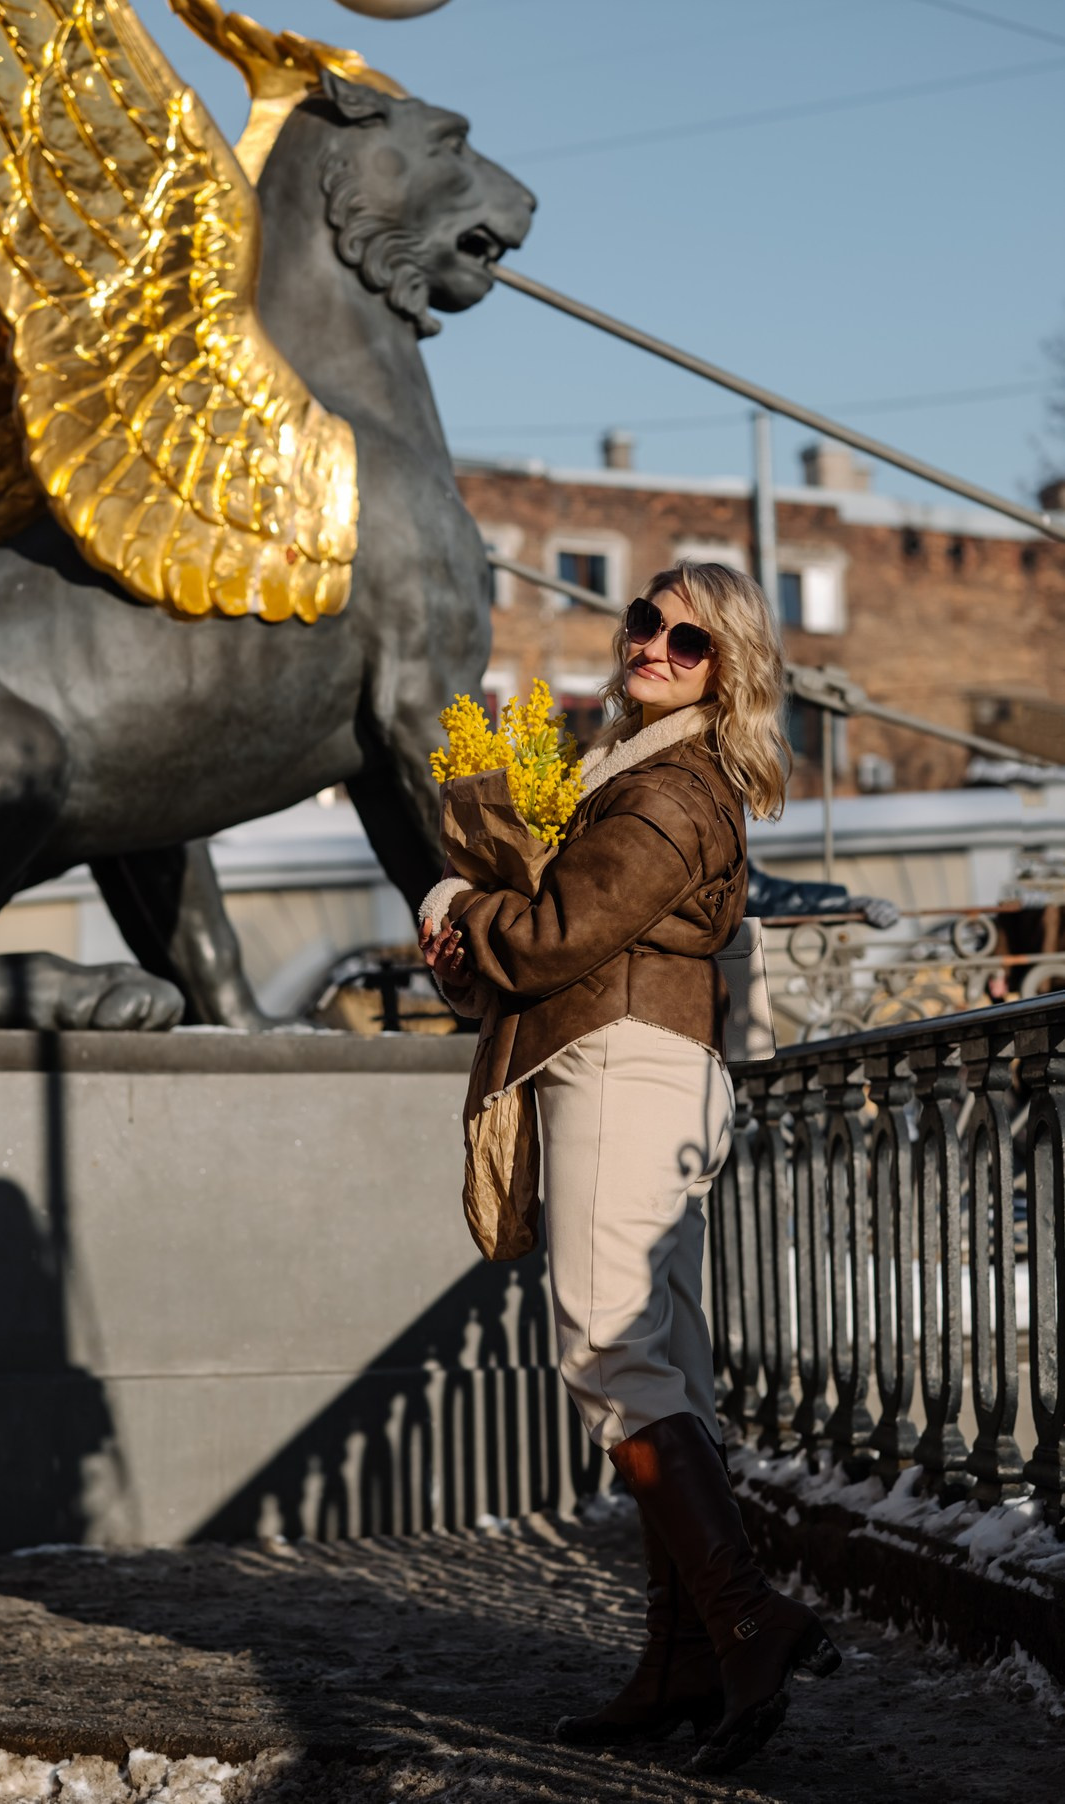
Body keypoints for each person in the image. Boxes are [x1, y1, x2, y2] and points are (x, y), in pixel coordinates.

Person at [418, 561, 841, 1775]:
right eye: (642, 621)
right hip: (637, 1066)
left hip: (626, 1068)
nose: (651, 644)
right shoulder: (635, 772)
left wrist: (459, 895)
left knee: (605, 1341)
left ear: (732, 667)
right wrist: (470, 936)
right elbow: (544, 940)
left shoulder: (671, 790)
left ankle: (746, 1619)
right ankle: (682, 1657)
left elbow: (555, 935)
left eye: (687, 639)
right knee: (665, 1358)